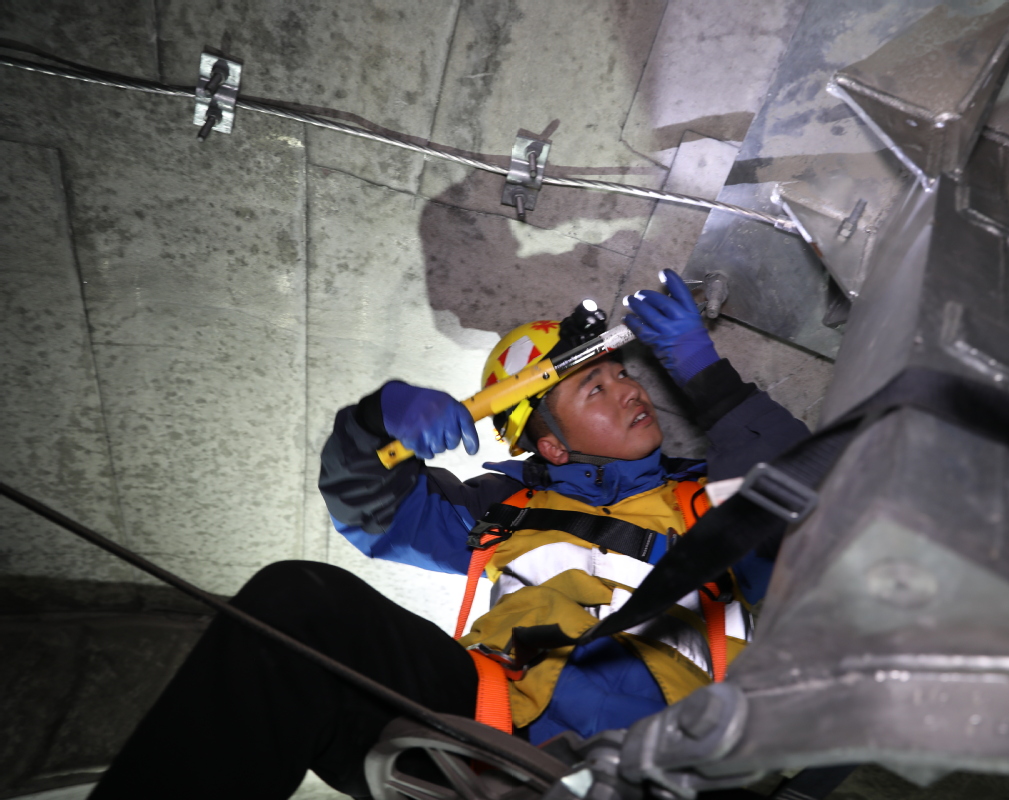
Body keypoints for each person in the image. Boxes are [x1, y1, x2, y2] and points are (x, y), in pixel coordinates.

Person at [89, 270, 812, 800]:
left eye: (624, 373)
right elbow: (372, 511)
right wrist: (372, 424)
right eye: (595, 387)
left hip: (670, 757)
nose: (630, 388)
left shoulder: (703, 498)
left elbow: (815, 492)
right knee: (299, 604)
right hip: (490, 730)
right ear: (551, 446)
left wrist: (707, 376)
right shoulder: (506, 513)